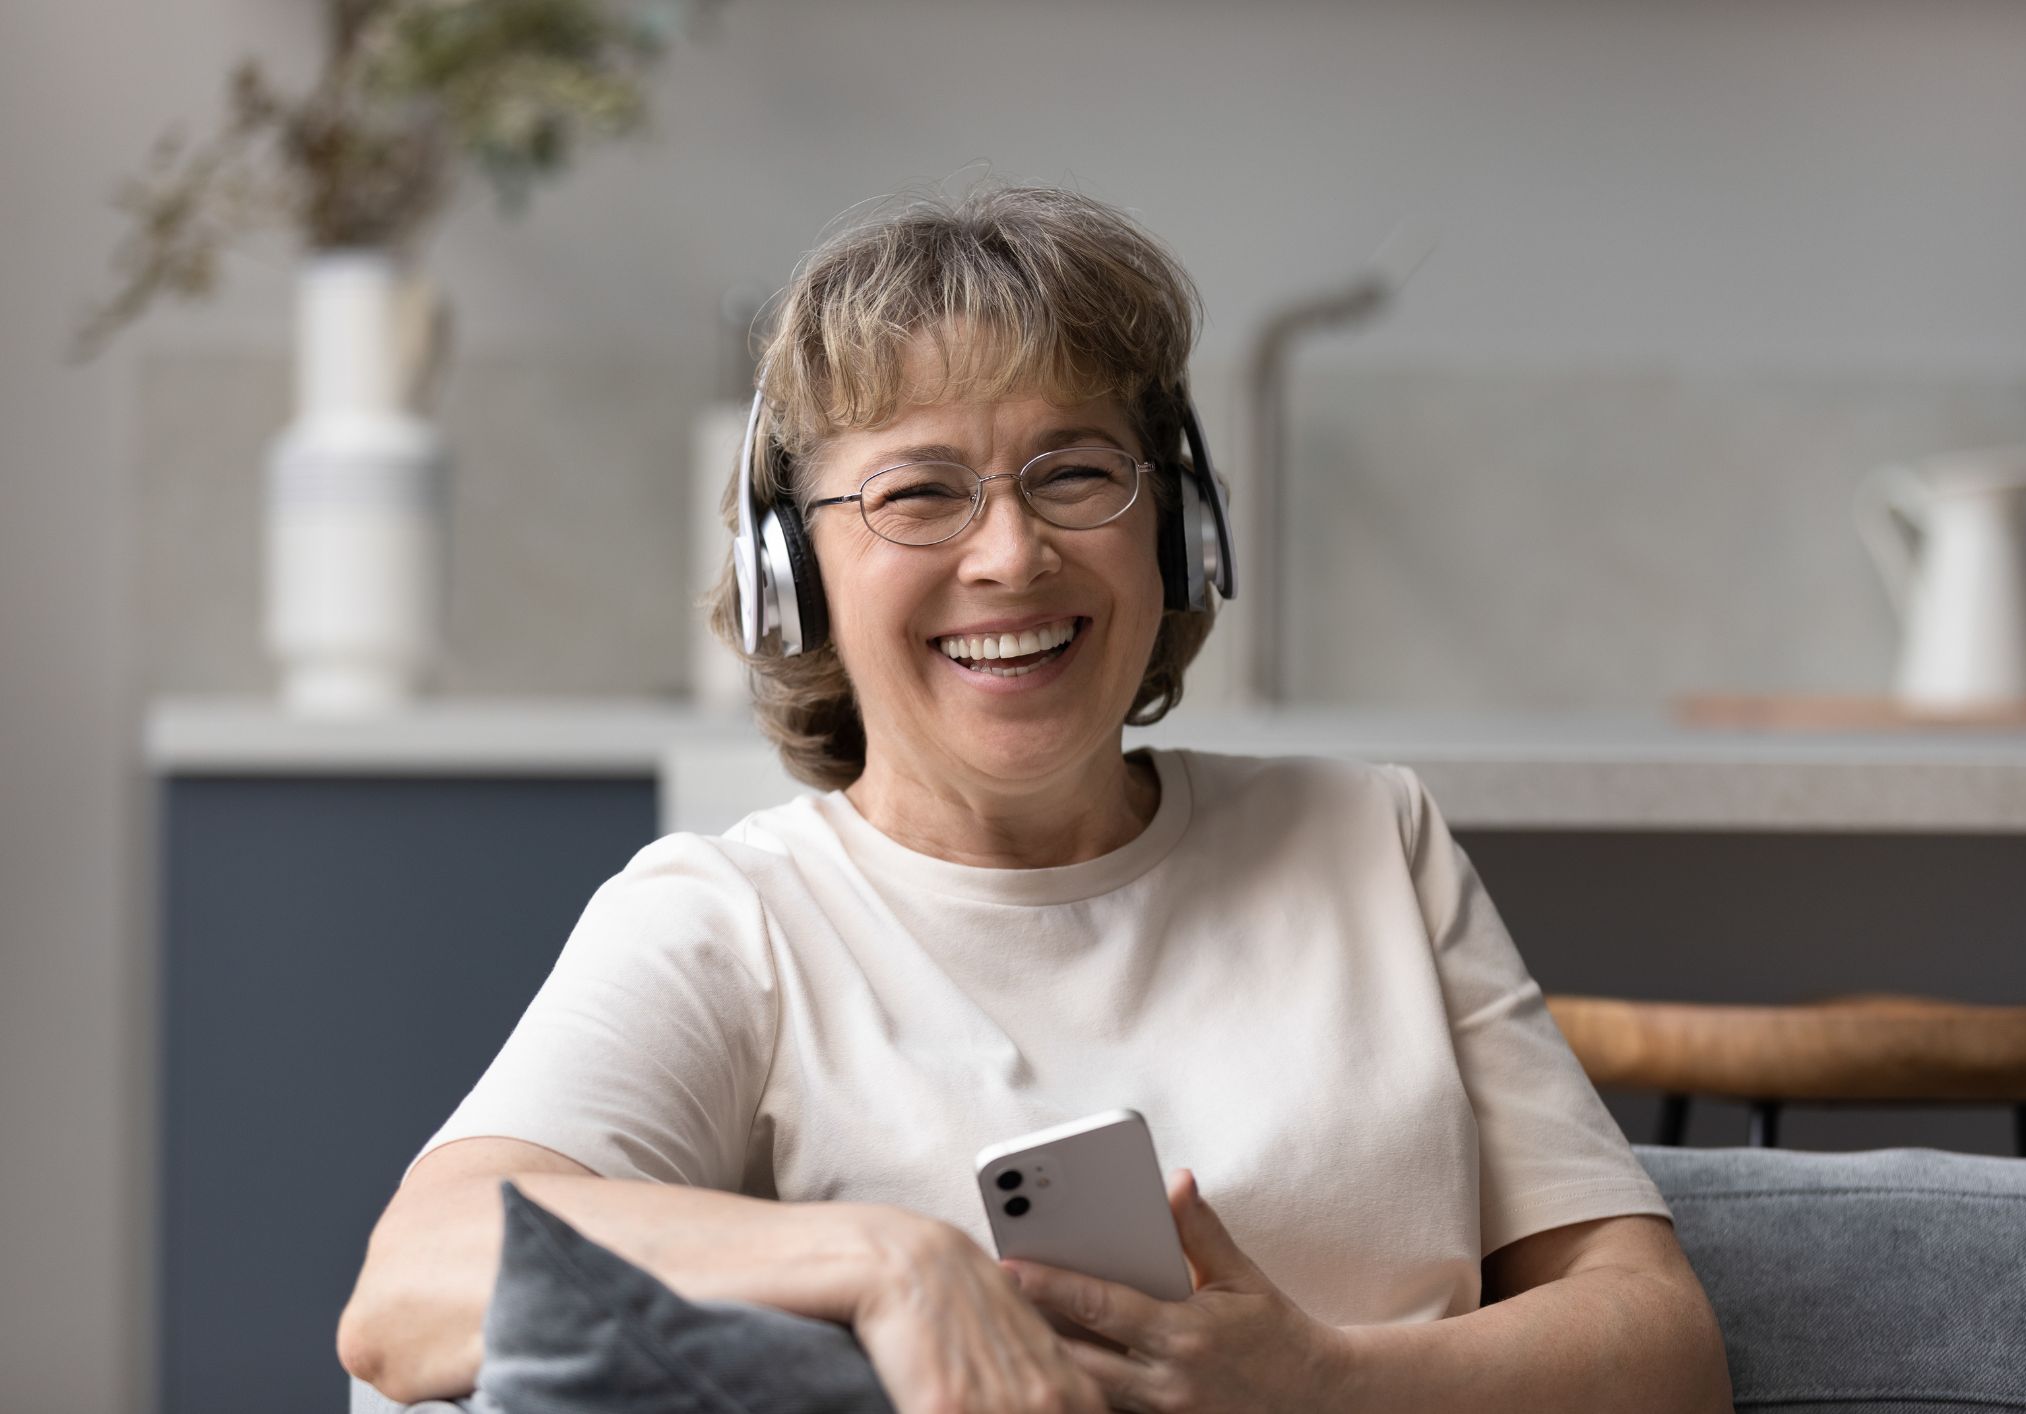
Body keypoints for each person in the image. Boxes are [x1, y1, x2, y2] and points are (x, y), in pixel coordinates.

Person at [338, 183, 1732, 1413]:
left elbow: (1661, 1348)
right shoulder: (731, 921)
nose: (1010, 554)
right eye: (917, 492)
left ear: (1178, 533)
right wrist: (887, 1258)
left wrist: (1320, 1382)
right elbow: (414, 1287)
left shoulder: (1368, 835)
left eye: (1072, 471)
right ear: (791, 574)